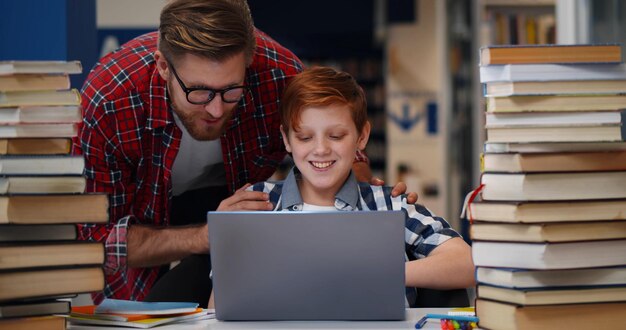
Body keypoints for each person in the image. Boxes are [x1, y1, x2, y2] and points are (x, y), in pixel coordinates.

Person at [74, 0, 415, 306]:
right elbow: (99, 242)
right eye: (199, 92)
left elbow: (331, 142)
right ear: (164, 67)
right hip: (143, 225)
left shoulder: (279, 75)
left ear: (249, 63)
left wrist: (370, 201)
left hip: (242, 220)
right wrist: (209, 234)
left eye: (231, 90)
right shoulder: (111, 99)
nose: (217, 110)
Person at [208, 67, 475, 308]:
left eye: (336, 136)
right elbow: (220, 302)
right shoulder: (254, 205)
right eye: (304, 137)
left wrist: (379, 273)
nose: (321, 149)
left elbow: (467, 264)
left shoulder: (389, 204)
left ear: (362, 137)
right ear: (286, 140)